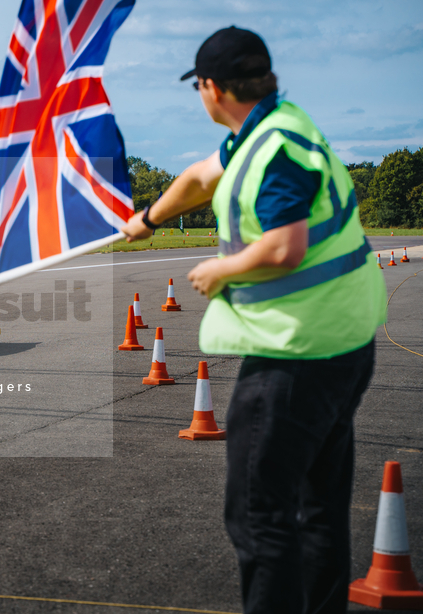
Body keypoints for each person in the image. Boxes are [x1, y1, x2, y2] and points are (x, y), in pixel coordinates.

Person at [121, 26, 387, 614]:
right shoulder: (274, 127)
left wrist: (223, 271)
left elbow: (284, 246)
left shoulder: (274, 152)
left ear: (211, 88)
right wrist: (149, 217)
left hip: (297, 357)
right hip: (343, 342)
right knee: (319, 510)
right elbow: (197, 176)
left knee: (259, 520)